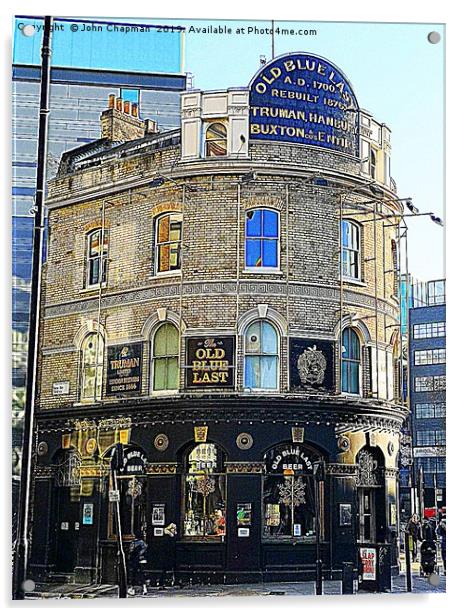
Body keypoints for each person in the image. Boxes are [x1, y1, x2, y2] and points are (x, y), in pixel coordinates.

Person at [127, 531, 148, 596]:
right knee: (142, 574)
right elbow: (145, 549)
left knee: (133, 574)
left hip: (134, 561)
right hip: (142, 560)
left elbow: (130, 551)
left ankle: (132, 589)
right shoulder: (143, 543)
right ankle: (144, 588)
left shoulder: (133, 543)